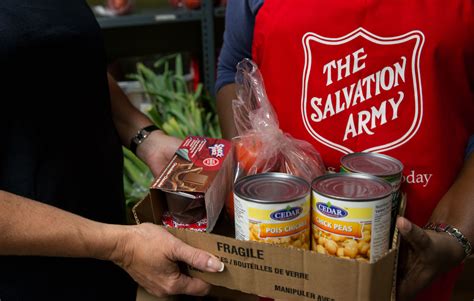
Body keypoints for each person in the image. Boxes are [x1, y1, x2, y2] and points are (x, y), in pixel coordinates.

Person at [215, 1, 474, 300]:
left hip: (423, 256)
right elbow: (233, 67)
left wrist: (457, 235)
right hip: (284, 246)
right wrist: (250, 169)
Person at [0, 1, 224, 300]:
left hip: (102, 252)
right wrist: (120, 246)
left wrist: (144, 137)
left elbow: (66, 64)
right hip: (23, 281)